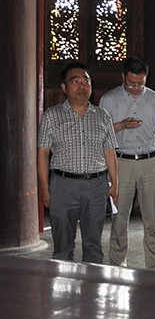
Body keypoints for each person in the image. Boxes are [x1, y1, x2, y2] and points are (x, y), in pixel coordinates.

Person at [38, 62, 119, 263]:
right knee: (63, 246)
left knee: (94, 245)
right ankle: (62, 282)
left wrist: (115, 183)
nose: (82, 86)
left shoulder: (103, 116)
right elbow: (43, 154)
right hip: (63, 185)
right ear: (64, 87)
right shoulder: (51, 116)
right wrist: (45, 188)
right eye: (75, 81)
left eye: (86, 81)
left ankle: (92, 282)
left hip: (96, 185)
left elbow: (110, 151)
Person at [99, 56, 155, 270]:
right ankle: (118, 263)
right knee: (119, 216)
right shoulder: (109, 100)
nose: (136, 88)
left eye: (140, 83)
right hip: (121, 162)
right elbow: (101, 133)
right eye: (131, 83)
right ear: (123, 77)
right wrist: (121, 125)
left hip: (149, 161)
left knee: (151, 217)